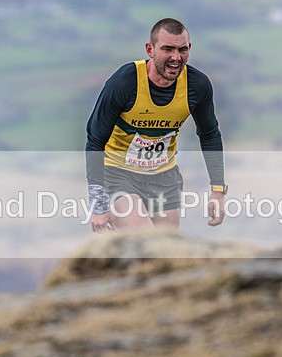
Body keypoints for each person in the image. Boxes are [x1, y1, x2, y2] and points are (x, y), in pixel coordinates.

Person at [85, 18, 227, 233]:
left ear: (189, 48)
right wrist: (98, 203)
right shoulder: (125, 82)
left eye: (182, 50)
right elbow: (95, 139)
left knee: (166, 250)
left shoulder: (197, 85)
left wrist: (218, 190)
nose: (176, 58)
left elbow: (209, 135)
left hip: (163, 176)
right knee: (146, 240)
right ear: (150, 49)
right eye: (167, 49)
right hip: (118, 173)